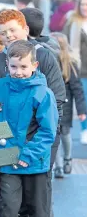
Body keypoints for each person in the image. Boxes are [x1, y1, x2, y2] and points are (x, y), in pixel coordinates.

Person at [0, 9, 65, 217]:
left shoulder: (44, 58)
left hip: (36, 146)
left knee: (38, 205)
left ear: (25, 29)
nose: (8, 35)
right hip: (6, 149)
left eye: (12, 30)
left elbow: (55, 103)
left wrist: (33, 145)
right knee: (9, 205)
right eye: (4, 32)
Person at [50, 32, 87, 178]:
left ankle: (67, 158)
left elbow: (77, 90)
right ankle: (58, 166)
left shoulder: (70, 65)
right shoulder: (49, 62)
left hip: (65, 105)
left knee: (64, 134)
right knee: (54, 135)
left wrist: (81, 110)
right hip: (52, 104)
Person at [63, 0, 87, 144]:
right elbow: (65, 45)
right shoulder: (72, 22)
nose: (85, 7)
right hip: (80, 70)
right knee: (84, 100)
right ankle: (85, 129)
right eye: (83, 4)